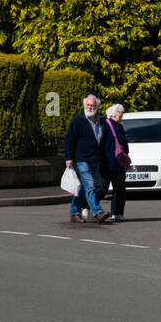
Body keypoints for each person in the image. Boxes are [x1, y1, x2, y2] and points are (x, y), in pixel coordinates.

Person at [64, 94, 111, 224]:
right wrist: (68, 157)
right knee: (90, 186)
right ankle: (97, 212)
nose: (90, 107)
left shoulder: (101, 121)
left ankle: (74, 213)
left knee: (84, 188)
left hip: (95, 160)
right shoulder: (77, 121)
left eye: (93, 105)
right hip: (81, 160)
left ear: (97, 107)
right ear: (85, 106)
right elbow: (69, 140)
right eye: (88, 105)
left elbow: (103, 141)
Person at [102, 103, 130, 222]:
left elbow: (124, 143)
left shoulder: (120, 126)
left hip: (119, 163)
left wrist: (126, 156)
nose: (122, 116)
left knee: (120, 189)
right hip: (108, 162)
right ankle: (88, 208)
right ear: (113, 115)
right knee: (101, 188)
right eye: (120, 114)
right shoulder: (105, 125)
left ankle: (117, 213)